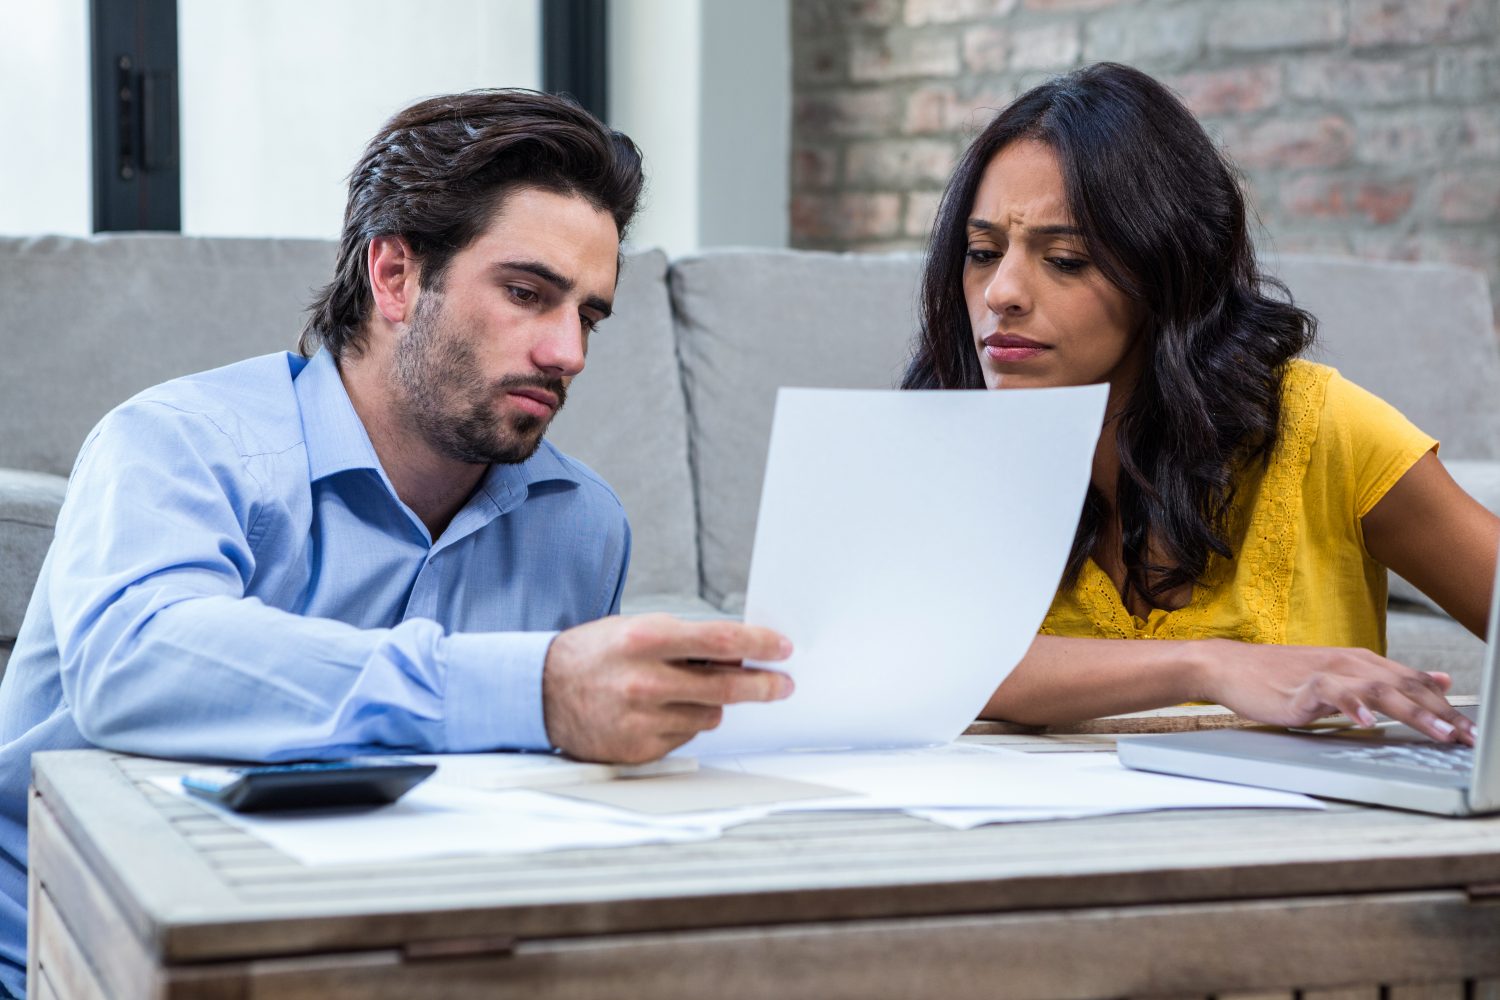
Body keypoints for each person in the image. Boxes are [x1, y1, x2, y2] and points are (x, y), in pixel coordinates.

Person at [0, 90, 792, 997]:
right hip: (72, 959)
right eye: (528, 293)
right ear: (395, 277)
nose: (568, 351)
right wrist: (533, 688)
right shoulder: (179, 445)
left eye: (591, 316)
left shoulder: (582, 526)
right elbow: (135, 662)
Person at [903, 63, 1500, 740]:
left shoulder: (1323, 430)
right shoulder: (946, 437)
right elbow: (921, 659)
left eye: (1065, 259)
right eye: (982, 252)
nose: (1000, 293)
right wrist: (1210, 665)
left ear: (1166, 272)